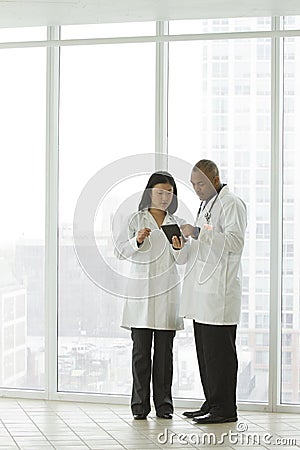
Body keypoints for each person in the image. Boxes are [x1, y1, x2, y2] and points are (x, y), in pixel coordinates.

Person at [180, 159, 247, 424]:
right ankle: (212, 402)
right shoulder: (206, 205)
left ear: (215, 179)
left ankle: (225, 410)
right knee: (206, 355)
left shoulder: (231, 203)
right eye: (193, 184)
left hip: (220, 294)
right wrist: (184, 241)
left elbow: (234, 241)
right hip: (202, 294)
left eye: (201, 184)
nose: (197, 189)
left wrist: (198, 232)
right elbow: (204, 245)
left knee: (220, 356)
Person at [115, 171, 186, 420]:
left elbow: (183, 259)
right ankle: (139, 407)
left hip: (167, 292)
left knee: (165, 355)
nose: (165, 197)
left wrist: (179, 248)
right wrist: (136, 240)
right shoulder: (135, 219)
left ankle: (164, 406)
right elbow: (120, 252)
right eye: (160, 192)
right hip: (141, 295)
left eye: (169, 193)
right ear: (149, 193)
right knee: (141, 354)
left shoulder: (175, 222)